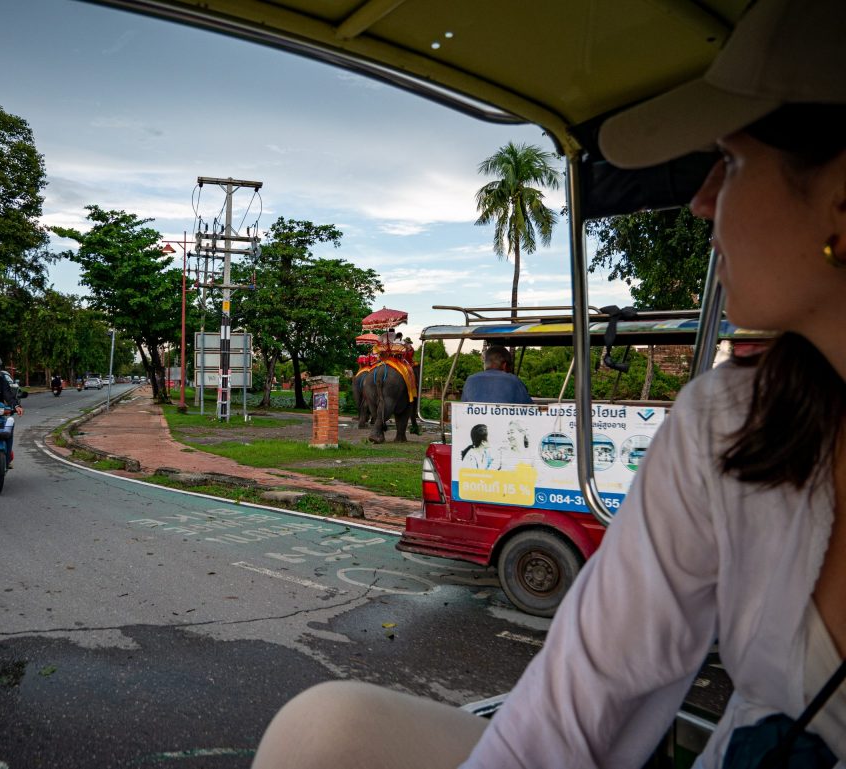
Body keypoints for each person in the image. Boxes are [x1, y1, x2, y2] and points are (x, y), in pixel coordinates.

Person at [250, 0, 846, 767]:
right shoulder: (734, 422)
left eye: (729, 163)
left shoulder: (460, 381)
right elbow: (578, 704)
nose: (699, 201)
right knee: (323, 728)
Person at [460, 346, 533, 404]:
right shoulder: (513, 381)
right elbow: (530, 409)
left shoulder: (470, 380)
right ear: (505, 365)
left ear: (485, 364)